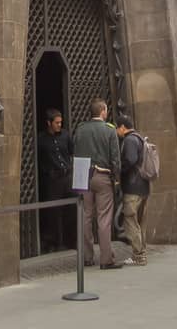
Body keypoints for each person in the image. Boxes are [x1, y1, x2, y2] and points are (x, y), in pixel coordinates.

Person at [73, 98, 121, 269]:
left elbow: (75, 151)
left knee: (85, 216)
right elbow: (115, 158)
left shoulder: (80, 129)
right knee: (104, 217)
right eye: (106, 110)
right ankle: (106, 259)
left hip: (83, 175)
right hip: (102, 176)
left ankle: (87, 257)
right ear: (102, 111)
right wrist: (117, 178)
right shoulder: (109, 130)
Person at [37, 107, 74, 250]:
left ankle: (71, 240)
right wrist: (47, 171)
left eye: (60, 122)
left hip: (67, 176)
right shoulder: (41, 139)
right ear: (49, 123)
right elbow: (39, 159)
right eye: (57, 123)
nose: (60, 125)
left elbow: (72, 151)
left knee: (71, 208)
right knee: (54, 212)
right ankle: (57, 242)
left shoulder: (65, 135)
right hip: (53, 180)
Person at [116, 112, 149, 266]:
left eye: (118, 128)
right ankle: (142, 251)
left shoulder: (129, 140)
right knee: (140, 221)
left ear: (123, 127)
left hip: (133, 186)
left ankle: (138, 255)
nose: (117, 132)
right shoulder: (140, 138)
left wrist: (119, 171)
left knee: (130, 220)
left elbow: (130, 159)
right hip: (143, 186)